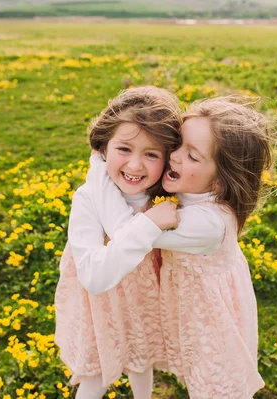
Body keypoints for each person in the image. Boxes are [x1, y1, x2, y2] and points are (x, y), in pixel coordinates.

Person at [85, 96, 277, 398]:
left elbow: (125, 230)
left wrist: (98, 167)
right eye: (177, 145)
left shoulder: (207, 222)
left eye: (192, 156)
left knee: (215, 383)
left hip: (210, 316)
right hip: (187, 304)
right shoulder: (190, 186)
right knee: (195, 374)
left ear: (219, 182)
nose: (173, 157)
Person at [54, 86, 181, 399]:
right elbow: (94, 277)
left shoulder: (165, 197)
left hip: (144, 296)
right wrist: (148, 225)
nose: (135, 166)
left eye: (151, 154)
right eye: (124, 149)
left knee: (142, 357)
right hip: (100, 305)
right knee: (95, 374)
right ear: (103, 148)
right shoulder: (88, 199)